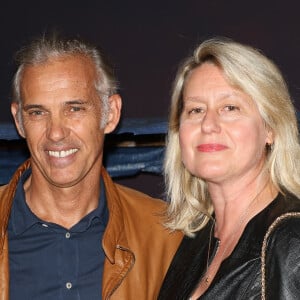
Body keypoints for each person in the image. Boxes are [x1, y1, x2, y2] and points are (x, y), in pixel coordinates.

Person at [0, 33, 182, 299]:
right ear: (19, 121)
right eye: (38, 112)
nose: (56, 133)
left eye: (74, 109)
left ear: (111, 113)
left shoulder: (164, 237)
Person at [158, 37, 300, 299]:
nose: (208, 124)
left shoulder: (292, 240)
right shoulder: (197, 239)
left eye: (230, 107)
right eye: (196, 110)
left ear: (270, 128)